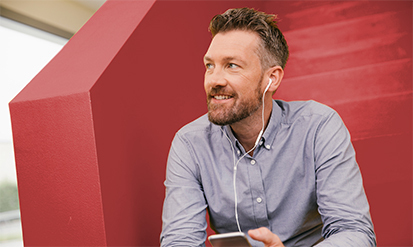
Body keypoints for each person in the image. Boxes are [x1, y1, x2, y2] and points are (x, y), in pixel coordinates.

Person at [160, 7, 376, 247]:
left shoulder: (319, 126)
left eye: (231, 65)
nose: (214, 80)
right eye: (210, 65)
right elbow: (180, 240)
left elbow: (355, 233)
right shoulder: (190, 144)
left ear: (271, 79)